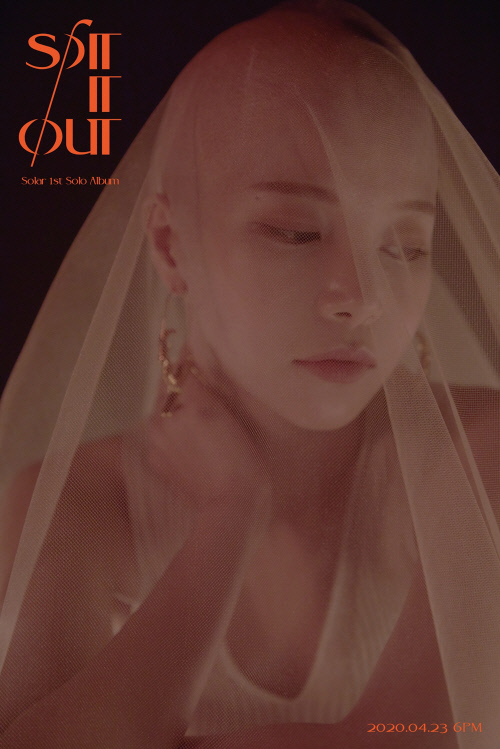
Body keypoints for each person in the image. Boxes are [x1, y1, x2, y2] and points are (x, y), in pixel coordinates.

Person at [0, 2, 499, 747]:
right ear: (170, 246)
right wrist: (228, 519)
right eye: (295, 231)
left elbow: (421, 737)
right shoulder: (81, 500)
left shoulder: (476, 459)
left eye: (406, 245)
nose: (364, 296)